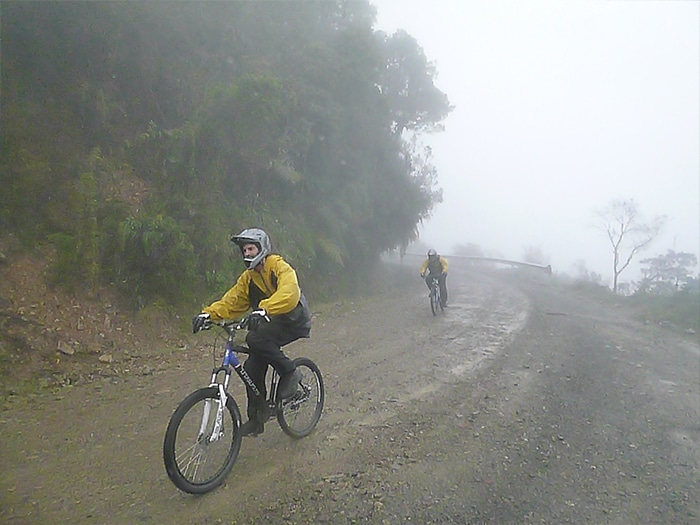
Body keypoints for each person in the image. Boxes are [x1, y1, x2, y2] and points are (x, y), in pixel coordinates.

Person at [192, 228, 311, 437]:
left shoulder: (277, 266)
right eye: (244, 250)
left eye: (251, 248)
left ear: (262, 248)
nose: (246, 253)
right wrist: (208, 315)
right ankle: (257, 419)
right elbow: (232, 302)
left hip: (293, 319)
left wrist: (265, 309)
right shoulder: (248, 278)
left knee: (255, 338)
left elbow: (290, 291)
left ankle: (290, 372)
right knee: (251, 368)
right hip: (270, 321)